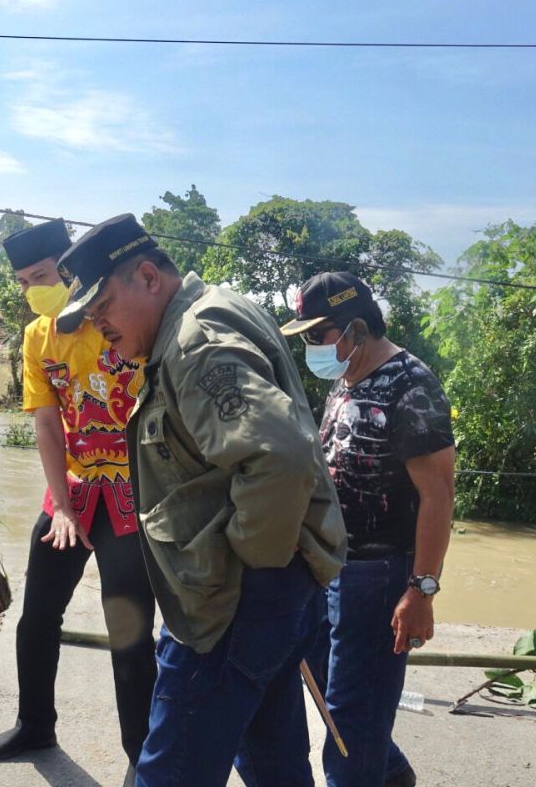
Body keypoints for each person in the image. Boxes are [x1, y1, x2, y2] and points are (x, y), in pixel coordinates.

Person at [56, 214, 347, 787]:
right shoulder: (207, 313)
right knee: (273, 760)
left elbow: (280, 457)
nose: (99, 325)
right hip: (274, 594)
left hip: (233, 604)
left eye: (102, 306)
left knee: (171, 771)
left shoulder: (195, 341)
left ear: (147, 276)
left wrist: (248, 564)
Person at [0, 219, 157, 781]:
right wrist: (61, 504)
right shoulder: (38, 336)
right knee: (36, 618)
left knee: (129, 632)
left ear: (70, 268)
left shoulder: (119, 319)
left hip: (132, 495)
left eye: (42, 275)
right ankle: (35, 722)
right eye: (23, 281)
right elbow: (47, 423)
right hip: (73, 491)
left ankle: (141, 756)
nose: (33, 288)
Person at [280, 272, 455, 787]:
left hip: (378, 576)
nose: (312, 346)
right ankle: (392, 773)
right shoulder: (346, 378)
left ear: (355, 328)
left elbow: (438, 495)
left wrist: (421, 589)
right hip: (330, 567)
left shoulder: (411, 385)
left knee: (352, 718)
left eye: (317, 334)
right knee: (336, 699)